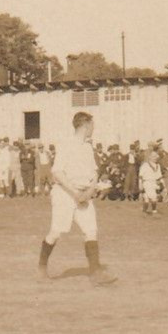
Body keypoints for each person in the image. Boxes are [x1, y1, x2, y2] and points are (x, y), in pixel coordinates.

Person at [39, 112, 115, 284]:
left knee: (91, 230)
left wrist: (89, 191)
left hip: (84, 195)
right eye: (92, 125)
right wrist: (75, 193)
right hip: (65, 194)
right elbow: (57, 172)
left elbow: (94, 173)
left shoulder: (88, 147)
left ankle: (95, 273)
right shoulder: (66, 144)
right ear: (85, 125)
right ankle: (41, 268)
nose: (93, 128)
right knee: (56, 232)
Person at [139, 147, 163, 218]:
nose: (155, 158)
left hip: (154, 182)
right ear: (150, 157)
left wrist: (161, 183)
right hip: (147, 182)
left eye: (156, 157)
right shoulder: (145, 165)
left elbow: (159, 176)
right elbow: (140, 176)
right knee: (153, 197)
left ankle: (144, 211)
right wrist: (140, 184)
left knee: (146, 198)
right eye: (154, 157)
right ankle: (154, 211)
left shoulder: (158, 166)